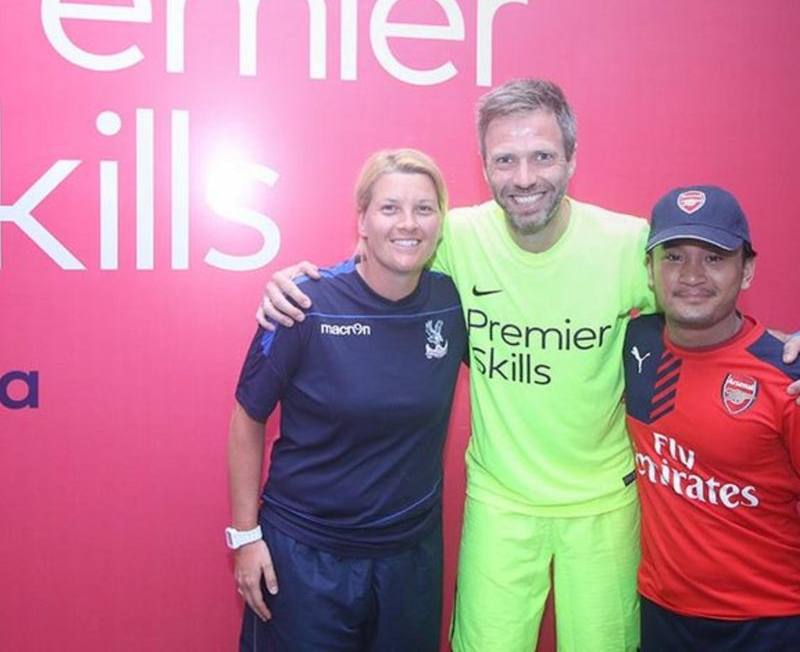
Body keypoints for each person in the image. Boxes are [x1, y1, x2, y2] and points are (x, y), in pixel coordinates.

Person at [256, 79, 800, 652]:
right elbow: (380, 259)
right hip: (500, 502)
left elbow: (701, 301)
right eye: (505, 160)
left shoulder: (626, 242)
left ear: (571, 159)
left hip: (603, 505)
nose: (523, 178)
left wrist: (783, 346)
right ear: (484, 166)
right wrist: (294, 284)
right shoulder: (456, 236)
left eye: (541, 156)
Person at [227, 148, 467, 652]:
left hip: (409, 562)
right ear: (362, 220)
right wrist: (245, 537)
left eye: (424, 208)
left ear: (441, 222)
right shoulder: (303, 304)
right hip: (306, 559)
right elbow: (248, 416)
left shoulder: (452, 303)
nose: (408, 223)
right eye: (389, 208)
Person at [624, 185, 800, 651]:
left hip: (770, 623)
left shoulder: (788, 377)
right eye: (673, 257)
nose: (691, 275)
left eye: (715, 258)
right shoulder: (634, 344)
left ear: (747, 271)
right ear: (650, 270)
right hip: (662, 616)